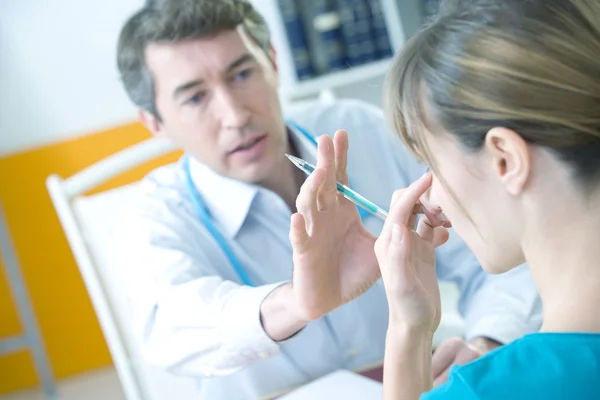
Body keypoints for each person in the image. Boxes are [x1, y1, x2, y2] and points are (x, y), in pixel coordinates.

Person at [114, 0, 541, 398]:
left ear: (274, 63)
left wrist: (491, 339)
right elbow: (174, 328)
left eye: (242, 74)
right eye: (194, 97)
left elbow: (497, 245)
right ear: (154, 122)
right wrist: (296, 302)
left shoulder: (360, 130)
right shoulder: (155, 215)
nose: (234, 115)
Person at [290, 0, 600, 398]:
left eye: (430, 164)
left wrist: (408, 330)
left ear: (504, 158)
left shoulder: (492, 390)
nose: (431, 199)